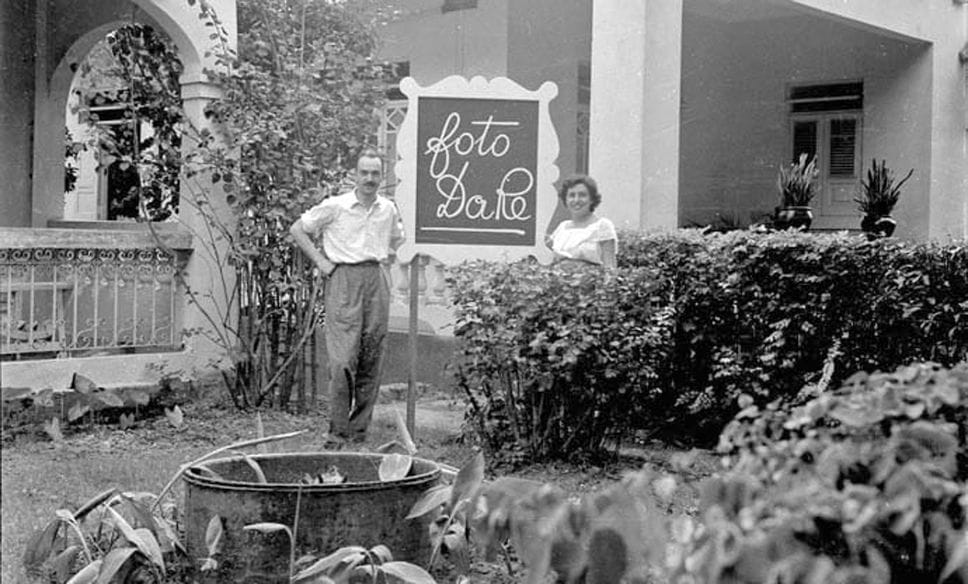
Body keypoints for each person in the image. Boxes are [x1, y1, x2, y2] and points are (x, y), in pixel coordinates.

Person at [289, 149, 405, 444]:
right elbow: (298, 229)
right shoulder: (336, 206)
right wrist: (322, 262)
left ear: (382, 176)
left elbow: (395, 240)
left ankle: (358, 432)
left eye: (375, 173)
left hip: (376, 281)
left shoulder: (387, 209)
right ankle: (337, 432)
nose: (369, 179)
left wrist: (383, 264)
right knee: (342, 360)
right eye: (364, 172)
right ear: (356, 174)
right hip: (343, 281)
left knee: (371, 358)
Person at [547, 175, 617, 268]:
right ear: (565, 199)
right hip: (559, 280)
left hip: (591, 281)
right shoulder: (562, 227)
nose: (576, 200)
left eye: (582, 195)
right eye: (572, 195)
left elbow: (610, 266)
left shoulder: (602, 226)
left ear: (592, 199)